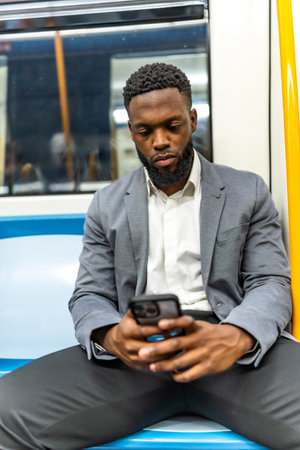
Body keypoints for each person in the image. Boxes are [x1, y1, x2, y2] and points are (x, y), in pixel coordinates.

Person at [1, 62, 300, 450]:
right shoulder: (107, 205)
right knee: (5, 410)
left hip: (229, 349)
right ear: (131, 132)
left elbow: (270, 282)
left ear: (192, 120)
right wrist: (111, 335)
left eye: (172, 126)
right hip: (138, 357)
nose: (160, 141)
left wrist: (237, 335)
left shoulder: (247, 192)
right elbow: (89, 295)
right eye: (145, 131)